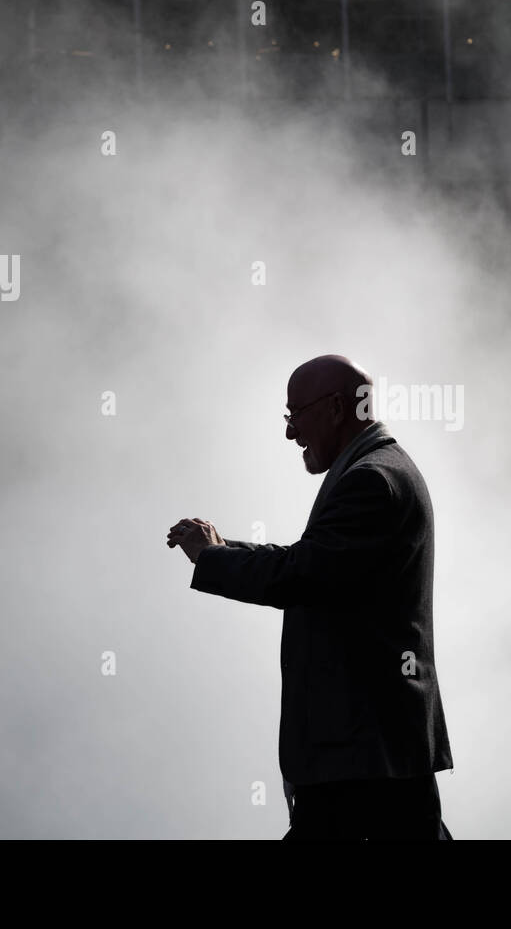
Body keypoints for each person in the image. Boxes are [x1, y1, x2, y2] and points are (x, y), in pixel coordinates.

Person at [166, 355, 454, 840]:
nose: (289, 433)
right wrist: (220, 549)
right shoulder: (376, 468)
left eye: (294, 415)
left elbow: (301, 576)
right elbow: (313, 562)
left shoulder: (370, 480)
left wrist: (210, 559)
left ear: (336, 408)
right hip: (375, 747)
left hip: (360, 750)